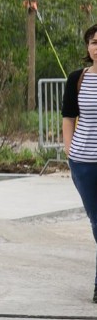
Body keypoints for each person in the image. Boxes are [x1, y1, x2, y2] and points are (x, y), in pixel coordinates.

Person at [61, 23, 97, 304]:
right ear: (88, 47)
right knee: (96, 221)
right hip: (83, 162)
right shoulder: (77, 79)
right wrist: (69, 151)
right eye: (94, 41)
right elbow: (68, 117)